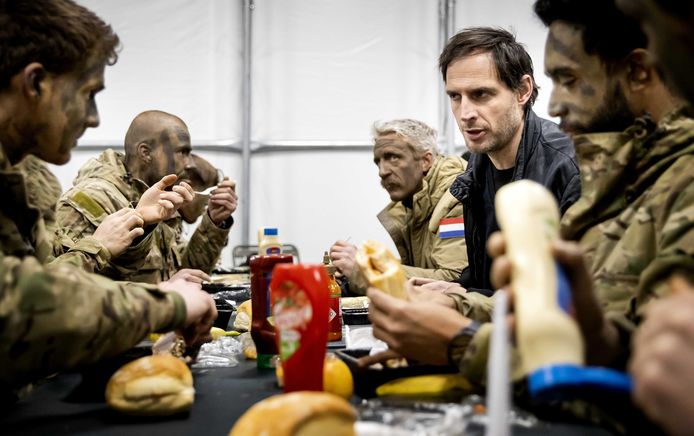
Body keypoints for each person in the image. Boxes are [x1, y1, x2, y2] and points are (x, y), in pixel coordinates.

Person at [0, 0, 216, 396]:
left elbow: (45, 283)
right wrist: (164, 302)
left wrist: (213, 226)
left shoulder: (29, 179)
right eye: (88, 94)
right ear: (35, 83)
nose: (94, 117)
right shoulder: (94, 193)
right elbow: (19, 309)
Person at [366, 27, 581, 367]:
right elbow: (489, 283)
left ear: (523, 90)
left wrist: (461, 303)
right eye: (456, 97)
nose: (465, 113)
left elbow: (561, 304)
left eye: (481, 94)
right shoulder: (475, 169)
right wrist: (458, 290)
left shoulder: (567, 168)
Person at [56, 110, 238, 284]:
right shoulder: (90, 200)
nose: (190, 163)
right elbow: (69, 286)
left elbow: (186, 272)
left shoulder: (158, 196)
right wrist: (160, 291)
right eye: (182, 152)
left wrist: (213, 222)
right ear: (145, 153)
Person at [330, 119, 467, 292]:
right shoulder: (413, 203)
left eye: (393, 157)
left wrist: (365, 270)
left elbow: (455, 278)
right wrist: (363, 264)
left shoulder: (455, 198)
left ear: (425, 161)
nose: (382, 172)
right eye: (378, 162)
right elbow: (424, 270)